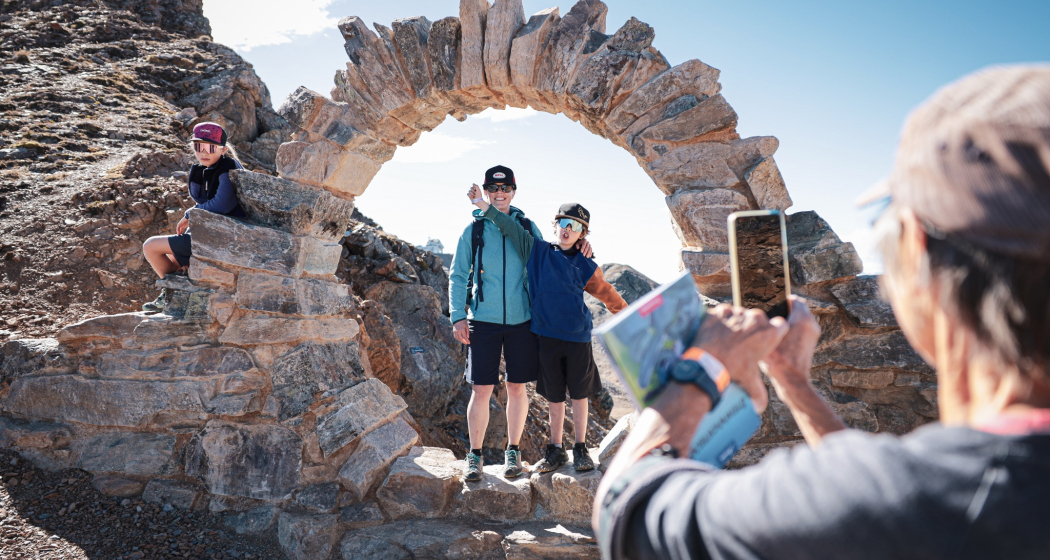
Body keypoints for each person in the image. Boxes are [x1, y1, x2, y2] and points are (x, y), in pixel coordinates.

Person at [594, 64, 1050, 559]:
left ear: (917, 255)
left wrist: (703, 366)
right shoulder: (926, 497)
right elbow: (865, 495)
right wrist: (794, 382)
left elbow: (629, 514)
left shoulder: (935, 500)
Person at [467, 188, 628, 473]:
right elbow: (508, 226)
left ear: (583, 234)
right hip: (546, 338)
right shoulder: (537, 250)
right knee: (554, 396)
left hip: (577, 338)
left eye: (575, 226)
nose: (567, 230)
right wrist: (483, 205)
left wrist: (632, 318)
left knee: (579, 395)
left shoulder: (585, 264)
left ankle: (580, 449)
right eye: (563, 224)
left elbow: (608, 294)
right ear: (555, 226)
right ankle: (555, 450)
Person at [448, 165, 549, 482]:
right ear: (489, 191)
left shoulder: (527, 227)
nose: (500, 193)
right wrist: (458, 316)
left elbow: (543, 265)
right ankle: (474, 457)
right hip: (484, 322)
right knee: (481, 390)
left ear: (514, 192)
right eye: (494, 190)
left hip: (523, 322)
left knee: (517, 388)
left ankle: (513, 453)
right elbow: (457, 275)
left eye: (505, 189)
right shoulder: (473, 231)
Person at [141, 122, 245, 313]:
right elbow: (207, 206)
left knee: (150, 246)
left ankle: (171, 294)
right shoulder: (205, 168)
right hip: (211, 234)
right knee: (172, 253)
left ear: (222, 150)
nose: (204, 152)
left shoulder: (228, 168)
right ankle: (173, 291)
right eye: (199, 147)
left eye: (210, 147)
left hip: (223, 238)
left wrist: (189, 214)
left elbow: (221, 205)